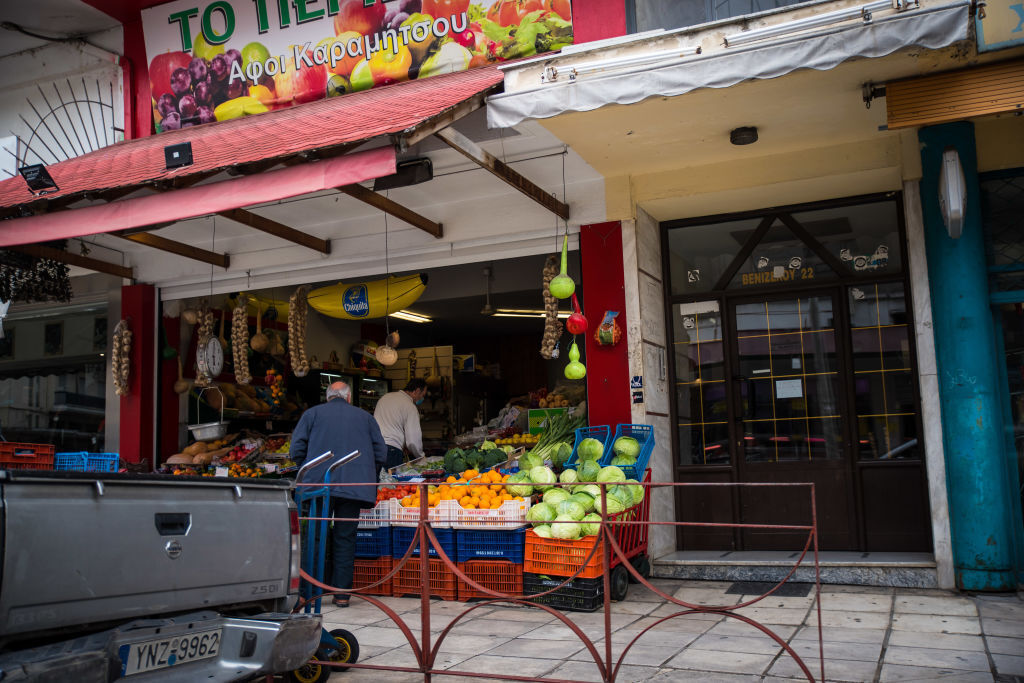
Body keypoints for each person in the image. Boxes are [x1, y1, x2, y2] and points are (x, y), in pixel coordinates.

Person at [290, 381, 386, 607]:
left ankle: (307, 593)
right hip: (353, 487)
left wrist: (308, 469)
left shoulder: (312, 414)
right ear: (349, 397)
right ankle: (341, 595)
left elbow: (296, 450)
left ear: (328, 397)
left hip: (317, 487)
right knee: (345, 538)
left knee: (313, 538)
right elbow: (381, 453)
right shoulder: (366, 418)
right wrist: (368, 474)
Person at [374, 377, 428, 471]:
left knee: (377, 482)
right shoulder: (410, 406)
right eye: (423, 395)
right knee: (391, 484)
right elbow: (413, 441)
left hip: (375, 448)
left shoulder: (385, 397)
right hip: (391, 451)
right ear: (417, 391)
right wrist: (421, 457)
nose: (422, 399)